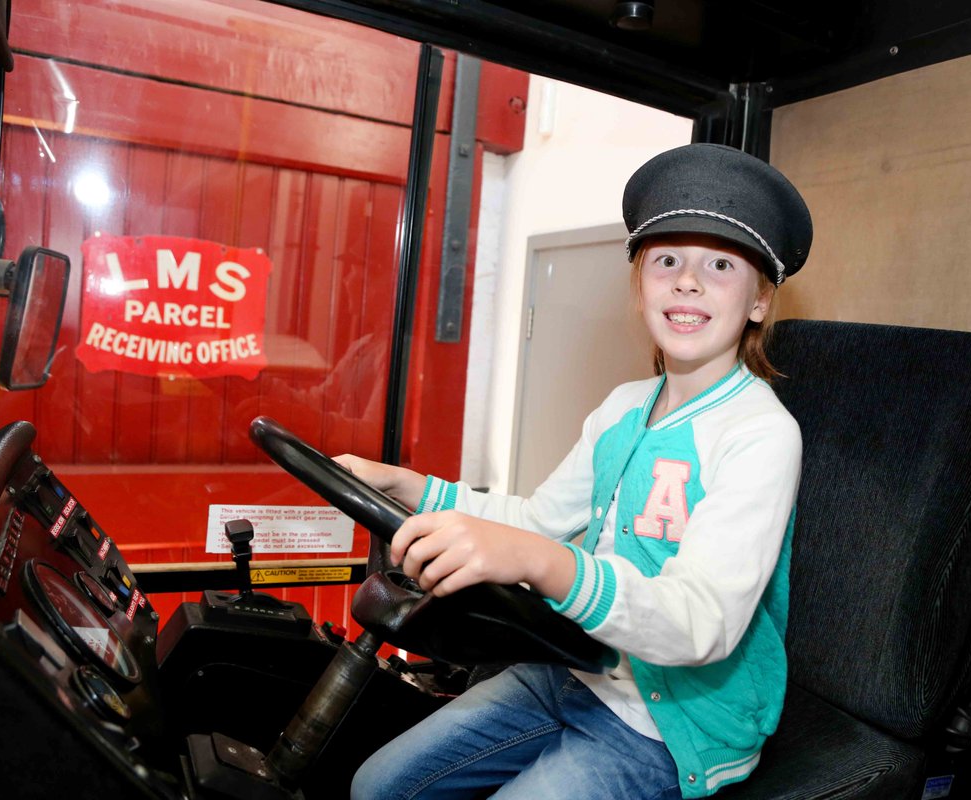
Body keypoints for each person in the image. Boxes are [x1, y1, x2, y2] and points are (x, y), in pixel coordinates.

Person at [342, 143, 812, 800]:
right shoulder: (623, 408)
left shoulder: (760, 435)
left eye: (722, 265)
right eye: (667, 260)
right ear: (641, 283)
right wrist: (416, 489)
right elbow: (538, 523)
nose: (688, 281)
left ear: (761, 300)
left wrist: (543, 562)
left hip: (671, 722)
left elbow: (701, 620)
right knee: (376, 785)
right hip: (576, 669)